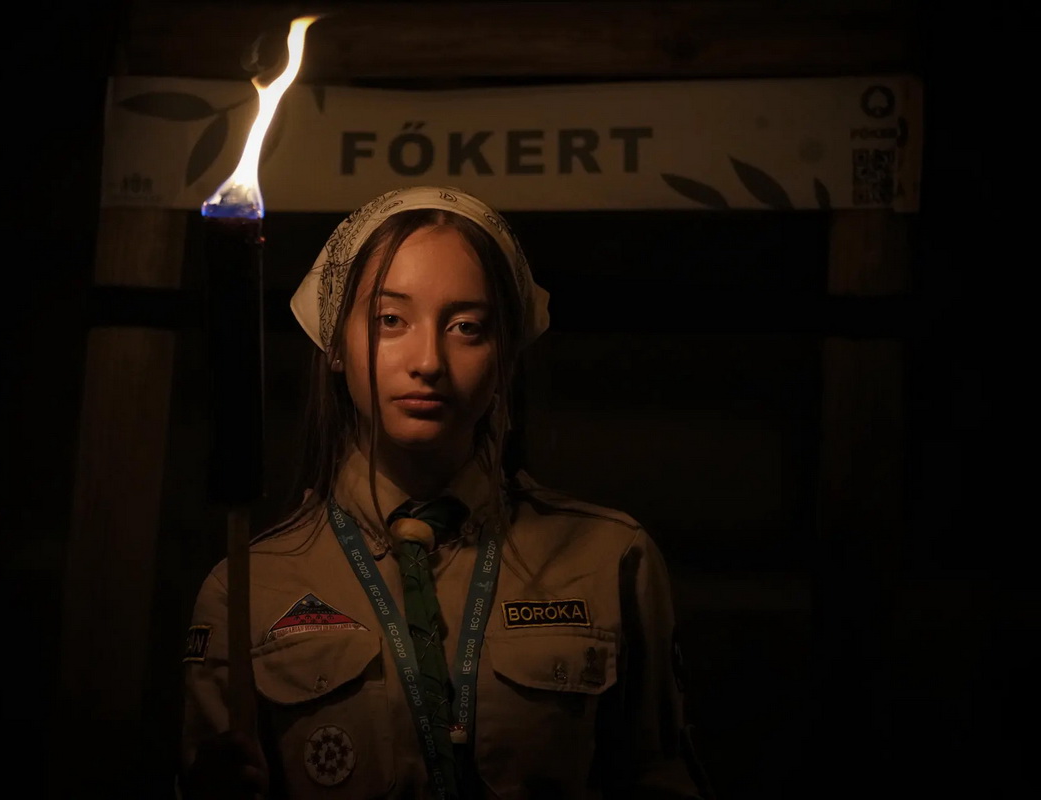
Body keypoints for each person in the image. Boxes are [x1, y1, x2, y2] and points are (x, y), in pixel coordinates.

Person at [179, 186, 710, 799]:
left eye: (466, 327)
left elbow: (661, 776)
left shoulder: (609, 558)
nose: (428, 361)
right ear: (335, 342)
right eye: (390, 320)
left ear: (505, 355)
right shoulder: (247, 586)